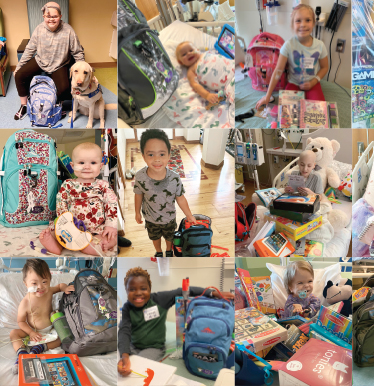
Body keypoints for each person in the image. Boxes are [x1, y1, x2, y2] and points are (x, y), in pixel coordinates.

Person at [117, 266, 232, 376]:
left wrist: (212, 293)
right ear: (126, 291)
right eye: (132, 289)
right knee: (123, 362)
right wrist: (125, 355)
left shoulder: (160, 299)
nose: (138, 293)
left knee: (138, 365)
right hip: (133, 345)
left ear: (150, 289)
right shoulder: (127, 307)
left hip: (153, 347)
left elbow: (184, 290)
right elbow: (124, 331)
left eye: (143, 288)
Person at [39, 143, 118, 256]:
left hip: (96, 228)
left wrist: (111, 225)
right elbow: (61, 202)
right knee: (55, 233)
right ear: (72, 165)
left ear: (100, 166)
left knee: (109, 236)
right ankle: (55, 245)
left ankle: (97, 246)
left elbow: (112, 203)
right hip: (71, 227)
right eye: (81, 163)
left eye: (93, 163)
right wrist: (64, 223)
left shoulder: (103, 185)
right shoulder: (68, 184)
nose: (86, 166)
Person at [14, 2, 85, 120]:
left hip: (59, 64)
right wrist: (18, 67)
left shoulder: (68, 30)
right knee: (19, 75)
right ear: (44, 17)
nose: (51, 19)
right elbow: (29, 50)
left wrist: (82, 71)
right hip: (40, 60)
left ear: (60, 17)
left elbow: (77, 52)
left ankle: (56, 105)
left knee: (64, 88)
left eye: (55, 16)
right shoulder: (39, 29)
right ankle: (24, 105)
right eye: (48, 16)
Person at [134, 129, 196, 258]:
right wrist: (137, 212)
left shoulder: (174, 178)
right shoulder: (140, 176)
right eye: (151, 155)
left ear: (169, 155)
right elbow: (138, 194)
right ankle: (158, 251)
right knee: (154, 237)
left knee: (170, 237)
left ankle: (168, 250)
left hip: (169, 218)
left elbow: (180, 198)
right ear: (143, 156)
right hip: (150, 219)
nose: (157, 159)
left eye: (162, 154)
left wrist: (189, 215)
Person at [255, 4, 330, 111]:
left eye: (307, 20)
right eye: (298, 21)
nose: (303, 24)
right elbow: (278, 71)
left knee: (319, 112)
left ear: (313, 23)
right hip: (294, 83)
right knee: (287, 114)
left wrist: (313, 82)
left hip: (313, 83)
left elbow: (324, 67)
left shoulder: (320, 46)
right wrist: (267, 96)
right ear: (292, 25)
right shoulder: (288, 45)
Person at [9, 259, 73, 372]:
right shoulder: (25, 303)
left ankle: (39, 348)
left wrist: (65, 288)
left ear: (49, 280)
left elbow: (59, 286)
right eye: (34, 283)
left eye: (44, 282)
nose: (40, 287)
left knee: (66, 336)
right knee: (13, 333)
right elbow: (21, 321)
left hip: (51, 328)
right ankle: (22, 353)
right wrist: (31, 332)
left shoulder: (48, 291)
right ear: (26, 284)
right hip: (33, 330)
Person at [174, 41, 233, 110]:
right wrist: (207, 95)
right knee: (232, 90)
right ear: (180, 62)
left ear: (197, 50)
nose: (189, 53)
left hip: (231, 66)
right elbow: (196, 86)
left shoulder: (205, 54)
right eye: (184, 54)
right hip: (226, 83)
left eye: (191, 50)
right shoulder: (191, 71)